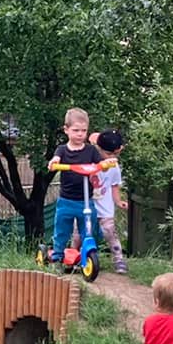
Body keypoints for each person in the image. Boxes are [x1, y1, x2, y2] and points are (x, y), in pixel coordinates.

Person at [47, 108, 103, 263]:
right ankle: (57, 256)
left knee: (89, 230)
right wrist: (54, 162)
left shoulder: (91, 150)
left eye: (84, 131)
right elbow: (56, 158)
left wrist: (106, 164)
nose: (80, 134)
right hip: (66, 201)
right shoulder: (62, 150)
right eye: (76, 130)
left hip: (86, 201)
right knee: (62, 230)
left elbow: (100, 163)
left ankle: (88, 254)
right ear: (66, 130)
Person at [91, 128, 129, 275]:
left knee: (110, 233)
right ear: (99, 149)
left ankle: (118, 259)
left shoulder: (114, 166)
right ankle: (74, 257)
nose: (112, 157)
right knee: (79, 233)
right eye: (108, 154)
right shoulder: (89, 159)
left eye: (115, 154)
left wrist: (118, 201)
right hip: (87, 205)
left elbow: (114, 185)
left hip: (105, 208)